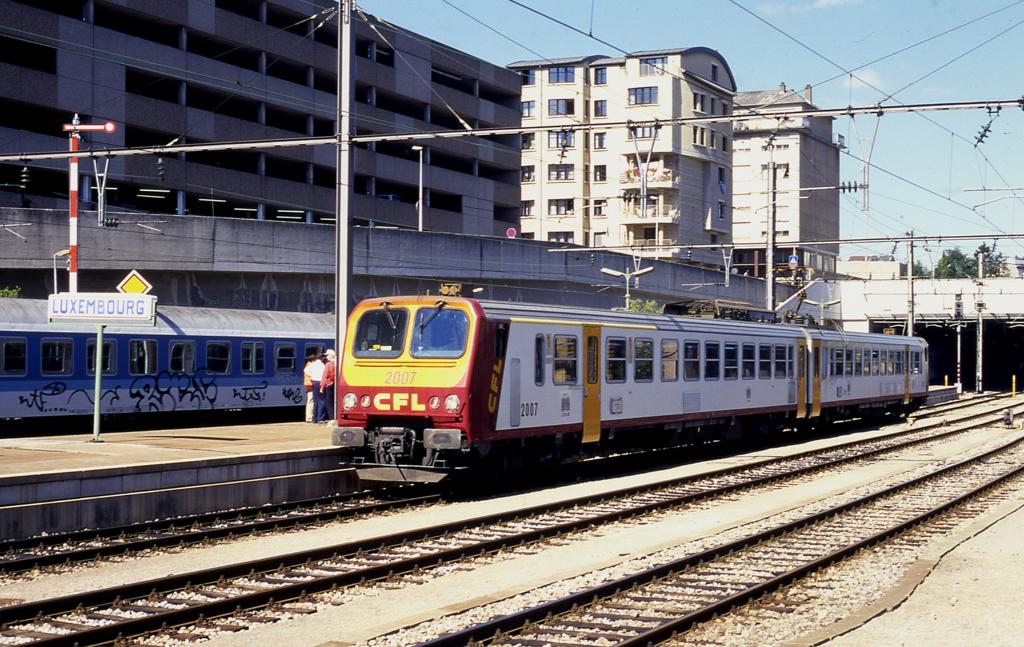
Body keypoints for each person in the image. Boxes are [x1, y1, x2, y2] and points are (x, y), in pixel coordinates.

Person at [304, 352, 326, 423]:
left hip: (314, 382)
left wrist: (312, 375)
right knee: (321, 401)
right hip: (320, 382)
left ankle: (314, 418)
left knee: (315, 401)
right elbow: (325, 374)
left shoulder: (312, 364)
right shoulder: (323, 365)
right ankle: (320, 418)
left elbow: (306, 370)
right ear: (322, 358)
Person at [321, 349, 336, 422]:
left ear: (331, 356)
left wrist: (322, 386)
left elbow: (325, 376)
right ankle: (334, 416)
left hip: (329, 384)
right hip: (334, 384)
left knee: (328, 402)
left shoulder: (328, 364)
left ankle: (331, 417)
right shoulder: (337, 363)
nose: (326, 357)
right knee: (334, 401)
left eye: (327, 355)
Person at [303, 356, 315, 422]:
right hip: (311, 385)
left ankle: (309, 417)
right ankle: (309, 418)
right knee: (311, 402)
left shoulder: (307, 366)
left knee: (310, 401)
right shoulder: (310, 367)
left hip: (309, 385)